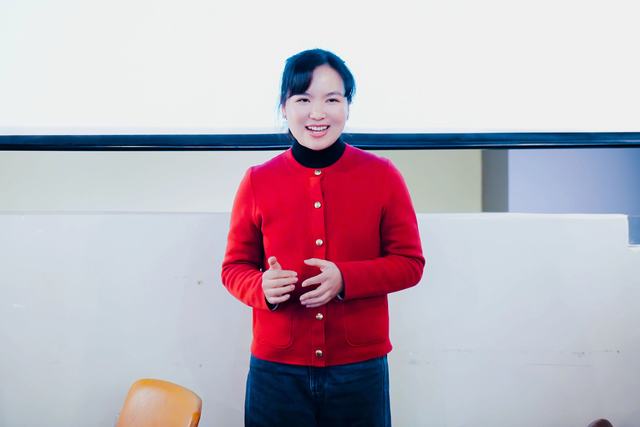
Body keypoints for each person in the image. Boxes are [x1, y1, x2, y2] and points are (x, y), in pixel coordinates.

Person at [221, 48, 425, 427]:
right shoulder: (258, 180)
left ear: (347, 106)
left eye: (332, 99)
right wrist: (261, 287)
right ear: (284, 107)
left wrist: (345, 278)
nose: (318, 113)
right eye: (303, 99)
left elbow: (410, 264)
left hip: (358, 370)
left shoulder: (382, 176)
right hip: (276, 372)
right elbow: (234, 268)